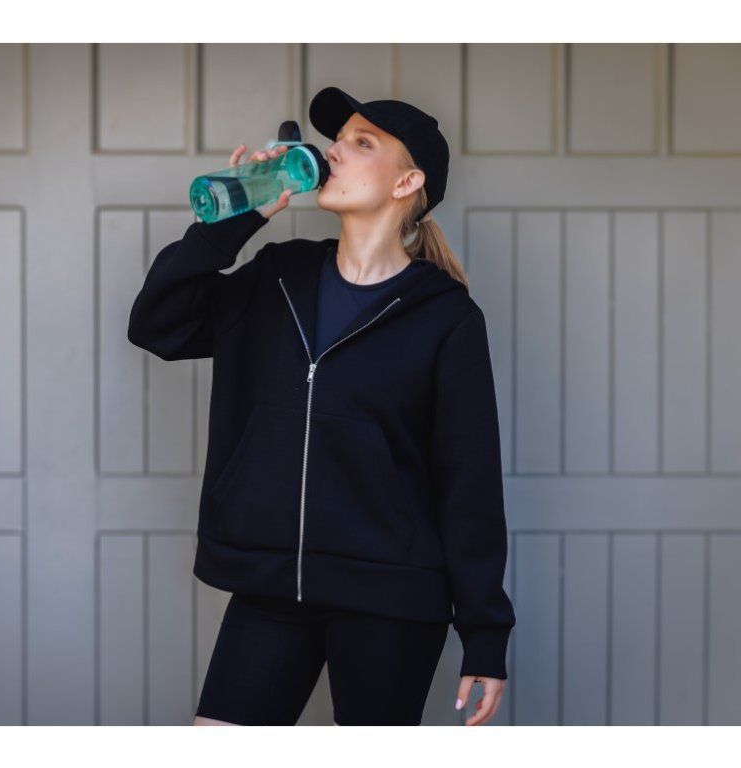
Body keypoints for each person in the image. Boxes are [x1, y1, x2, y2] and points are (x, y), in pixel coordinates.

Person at [127, 86, 516, 726]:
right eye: (337, 140)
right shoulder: (276, 276)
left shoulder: (445, 318)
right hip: (271, 583)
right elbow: (158, 326)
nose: (334, 151)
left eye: (362, 143)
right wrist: (234, 219)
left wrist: (485, 633)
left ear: (407, 182)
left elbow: (469, 482)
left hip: (390, 595)